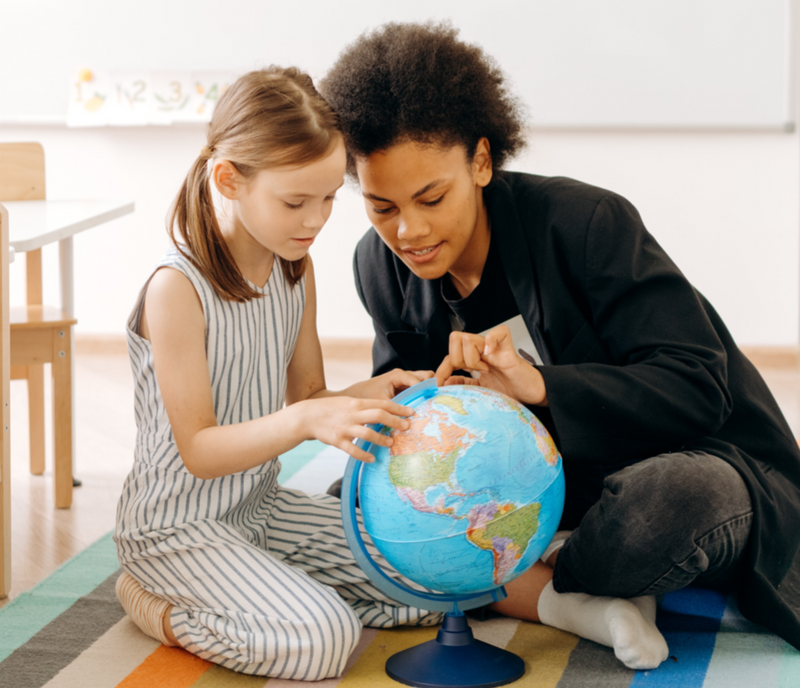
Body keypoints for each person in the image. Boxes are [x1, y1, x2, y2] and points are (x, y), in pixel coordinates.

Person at [320, 21, 800, 670]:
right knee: (351, 509)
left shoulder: (587, 225)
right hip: (553, 485)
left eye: (431, 197)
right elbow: (406, 428)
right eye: (381, 208)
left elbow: (697, 388)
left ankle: (537, 572)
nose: (409, 231)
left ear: (482, 162)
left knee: (671, 506)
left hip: (691, 459)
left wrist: (540, 386)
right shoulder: (378, 267)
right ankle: (577, 583)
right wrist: (413, 404)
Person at [113, 67, 446, 680]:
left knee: (423, 580)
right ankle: (151, 604)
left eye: (327, 199)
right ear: (229, 180)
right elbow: (200, 450)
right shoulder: (176, 289)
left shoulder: (295, 267)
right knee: (325, 641)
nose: (314, 220)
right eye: (295, 202)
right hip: (176, 527)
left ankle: (270, 589)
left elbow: (310, 397)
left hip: (260, 507)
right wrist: (306, 418)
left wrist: (374, 391)